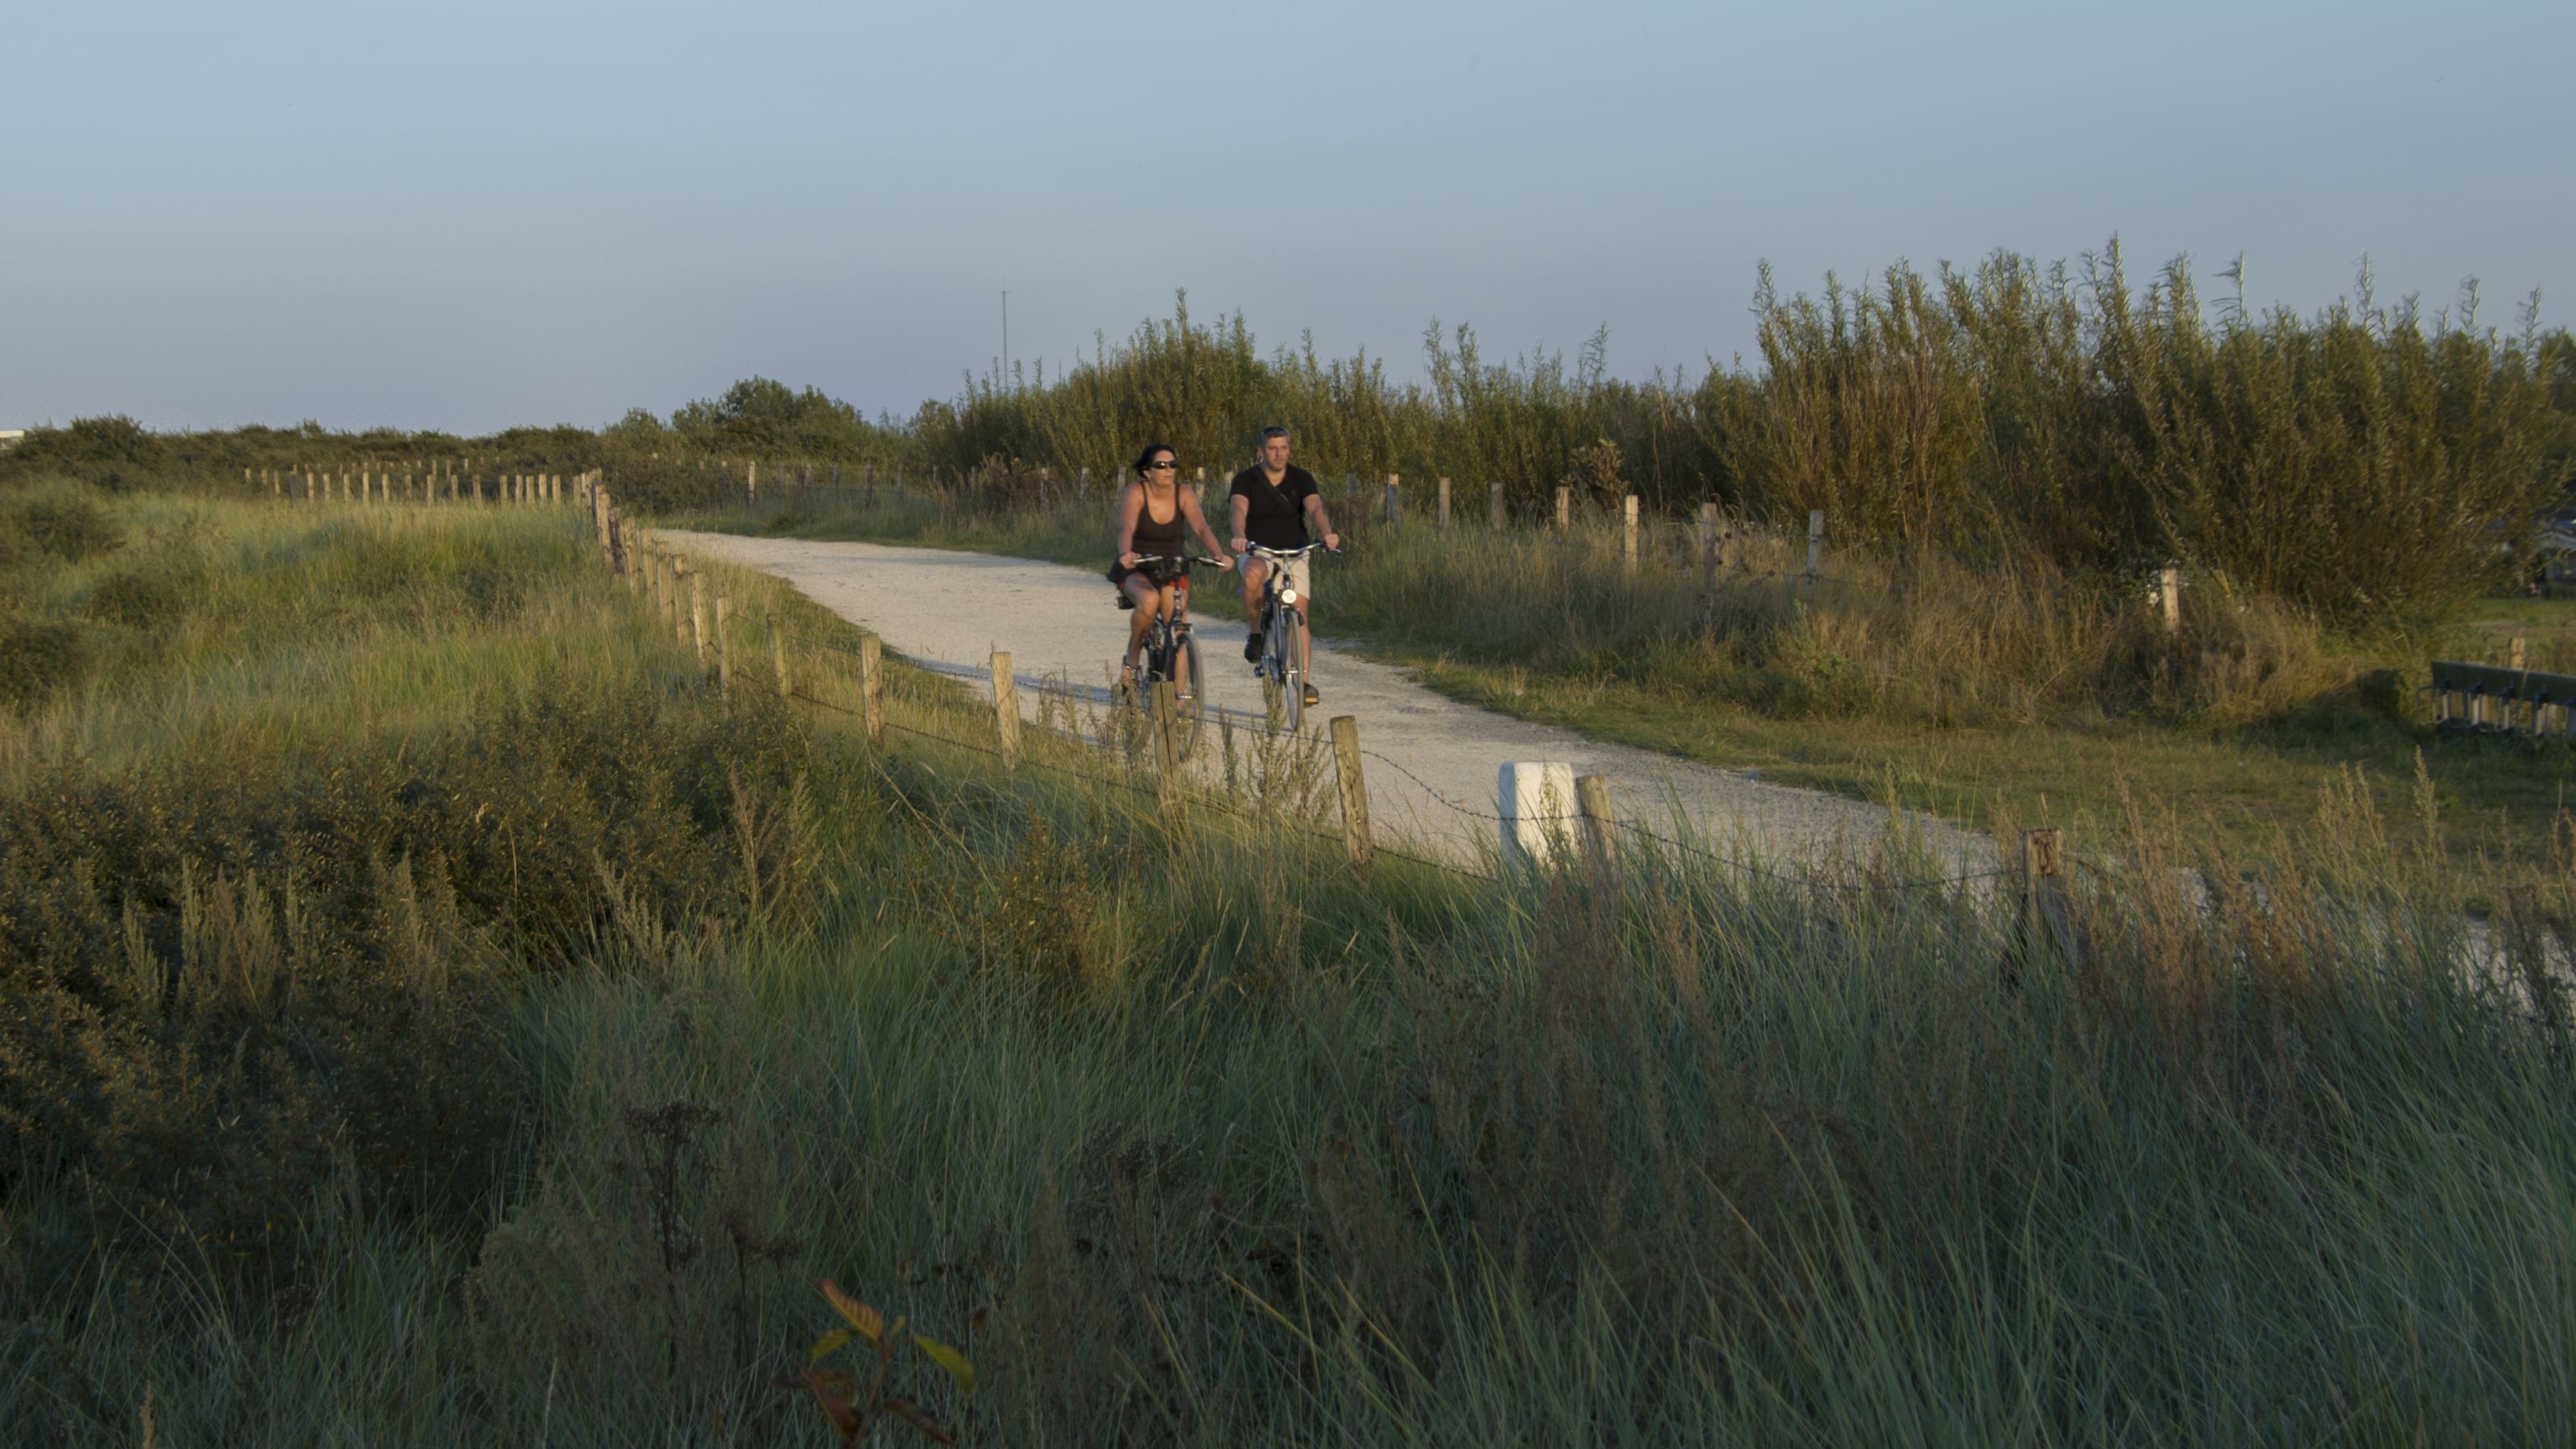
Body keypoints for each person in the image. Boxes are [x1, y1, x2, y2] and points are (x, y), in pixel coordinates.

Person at [1228, 424, 1340, 707]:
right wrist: (1239, 536)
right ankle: (1256, 634)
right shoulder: (1245, 479)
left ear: (1289, 450)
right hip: (1259, 550)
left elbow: (1315, 508)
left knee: (1299, 611)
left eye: (1283, 448)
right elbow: (1238, 509)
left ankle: (1304, 684)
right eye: (1272, 449)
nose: (1278, 454)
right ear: (1261, 451)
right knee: (1252, 576)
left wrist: (1326, 533)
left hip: (1295, 552)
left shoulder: (1302, 478)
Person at [1109, 442, 1232, 694]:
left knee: (1177, 627)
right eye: (1161, 465)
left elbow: (1201, 528)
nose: (1168, 470)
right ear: (1147, 471)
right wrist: (1126, 553)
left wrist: (1218, 554)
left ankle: (1179, 696)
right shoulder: (1136, 491)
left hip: (1171, 566)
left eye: (1173, 465)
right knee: (1149, 601)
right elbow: (1126, 528)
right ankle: (1133, 656)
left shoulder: (1183, 493)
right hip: (1138, 564)